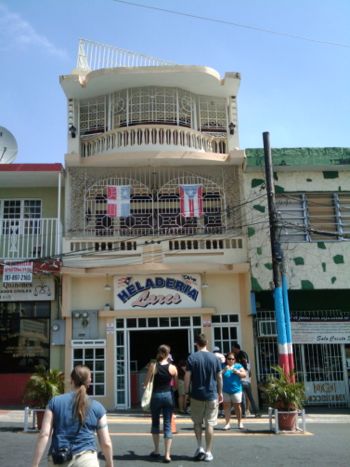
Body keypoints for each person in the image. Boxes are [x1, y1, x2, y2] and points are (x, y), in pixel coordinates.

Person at [31, 365, 113, 467]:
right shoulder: (98, 407)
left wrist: (35, 464)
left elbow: (44, 434)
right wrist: (109, 464)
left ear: (71, 380)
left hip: (59, 459)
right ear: (89, 381)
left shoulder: (55, 402)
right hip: (86, 460)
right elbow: (106, 442)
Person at [184, 333, 223, 462]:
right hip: (212, 394)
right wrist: (220, 392)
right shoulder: (214, 358)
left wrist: (186, 392)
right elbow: (219, 377)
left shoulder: (192, 358)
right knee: (210, 423)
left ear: (197, 344)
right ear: (207, 343)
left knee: (197, 422)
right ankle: (208, 451)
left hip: (196, 395)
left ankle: (199, 447)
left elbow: (187, 377)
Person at [143, 344, 178, 463]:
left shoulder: (153, 366)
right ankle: (167, 454)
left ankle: (157, 450)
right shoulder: (173, 367)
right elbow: (176, 385)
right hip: (168, 395)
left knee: (155, 422)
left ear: (158, 353)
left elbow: (146, 382)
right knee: (168, 423)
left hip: (156, 395)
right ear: (168, 354)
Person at [231, 342, 259, 417]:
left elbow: (243, 367)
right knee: (250, 397)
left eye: (233, 348)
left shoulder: (240, 359)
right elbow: (249, 371)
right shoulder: (245, 356)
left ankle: (243, 413)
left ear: (236, 348)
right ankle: (256, 412)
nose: (232, 350)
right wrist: (249, 377)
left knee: (243, 397)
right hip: (247, 380)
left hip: (242, 380)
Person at [222, 352, 246, 430]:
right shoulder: (223, 366)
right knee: (226, 406)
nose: (231, 360)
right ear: (226, 359)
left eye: (233, 359)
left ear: (235, 360)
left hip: (236, 390)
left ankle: (240, 422)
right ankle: (227, 423)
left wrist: (238, 372)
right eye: (229, 359)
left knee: (237, 406)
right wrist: (224, 371)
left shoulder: (238, 366)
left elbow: (245, 374)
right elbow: (218, 376)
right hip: (225, 390)